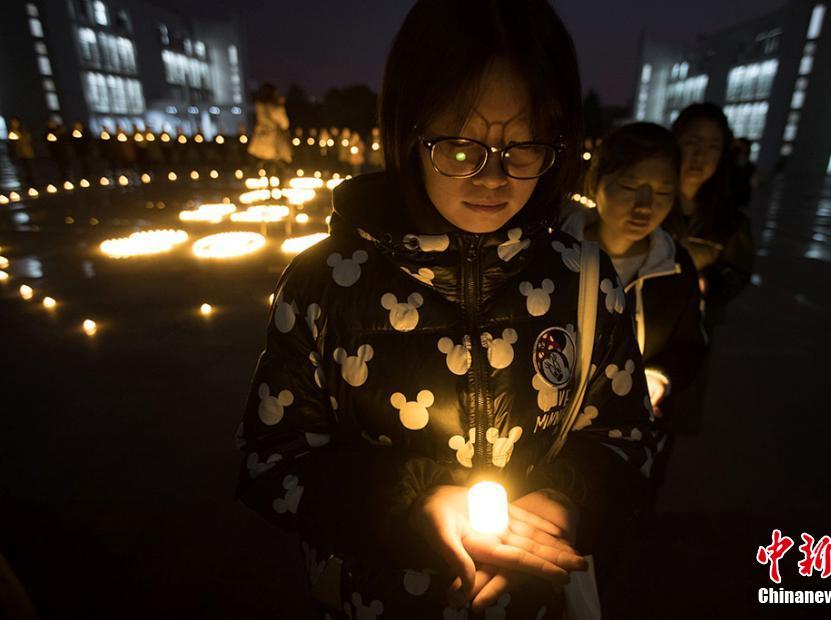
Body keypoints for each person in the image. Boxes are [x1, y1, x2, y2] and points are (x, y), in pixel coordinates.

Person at [235, 1, 658, 617]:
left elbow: (628, 442)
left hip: (530, 603)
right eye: (461, 148)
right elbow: (269, 463)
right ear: (410, 129)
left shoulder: (585, 280)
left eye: (523, 149)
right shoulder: (325, 284)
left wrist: (566, 501)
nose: (493, 178)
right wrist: (413, 503)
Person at [563, 122, 706, 423]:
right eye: (629, 188)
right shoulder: (555, 253)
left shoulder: (674, 266)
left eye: (663, 192)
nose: (645, 206)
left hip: (633, 423)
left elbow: (689, 344)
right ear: (595, 183)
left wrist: (658, 378)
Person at [664, 102, 753, 328]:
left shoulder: (731, 221)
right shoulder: (651, 205)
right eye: (693, 142)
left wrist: (707, 284)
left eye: (713, 146)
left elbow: (736, 273)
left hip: (696, 327)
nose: (700, 155)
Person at [248, 83, 292, 177]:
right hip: (274, 140)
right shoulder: (275, 106)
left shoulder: (259, 105)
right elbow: (284, 124)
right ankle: (279, 185)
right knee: (278, 164)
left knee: (265, 164)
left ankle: (267, 184)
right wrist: (281, 106)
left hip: (261, 139)